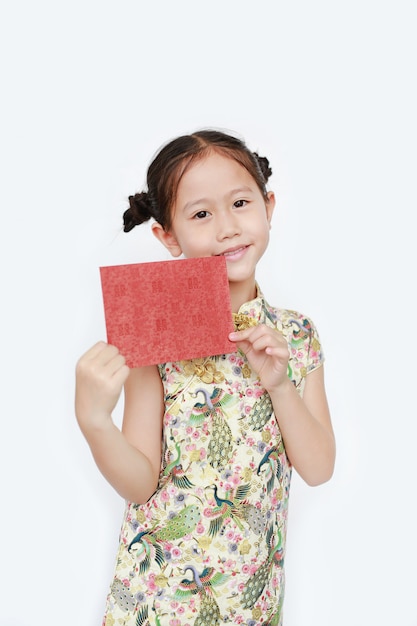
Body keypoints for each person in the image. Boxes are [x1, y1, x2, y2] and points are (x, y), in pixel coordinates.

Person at [75, 129, 335, 626]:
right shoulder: (156, 336)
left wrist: (280, 385)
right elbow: (138, 482)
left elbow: (319, 468)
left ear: (268, 205)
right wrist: (94, 421)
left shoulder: (298, 335)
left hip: (251, 604)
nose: (227, 228)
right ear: (167, 235)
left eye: (240, 202)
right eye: (200, 214)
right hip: (159, 601)